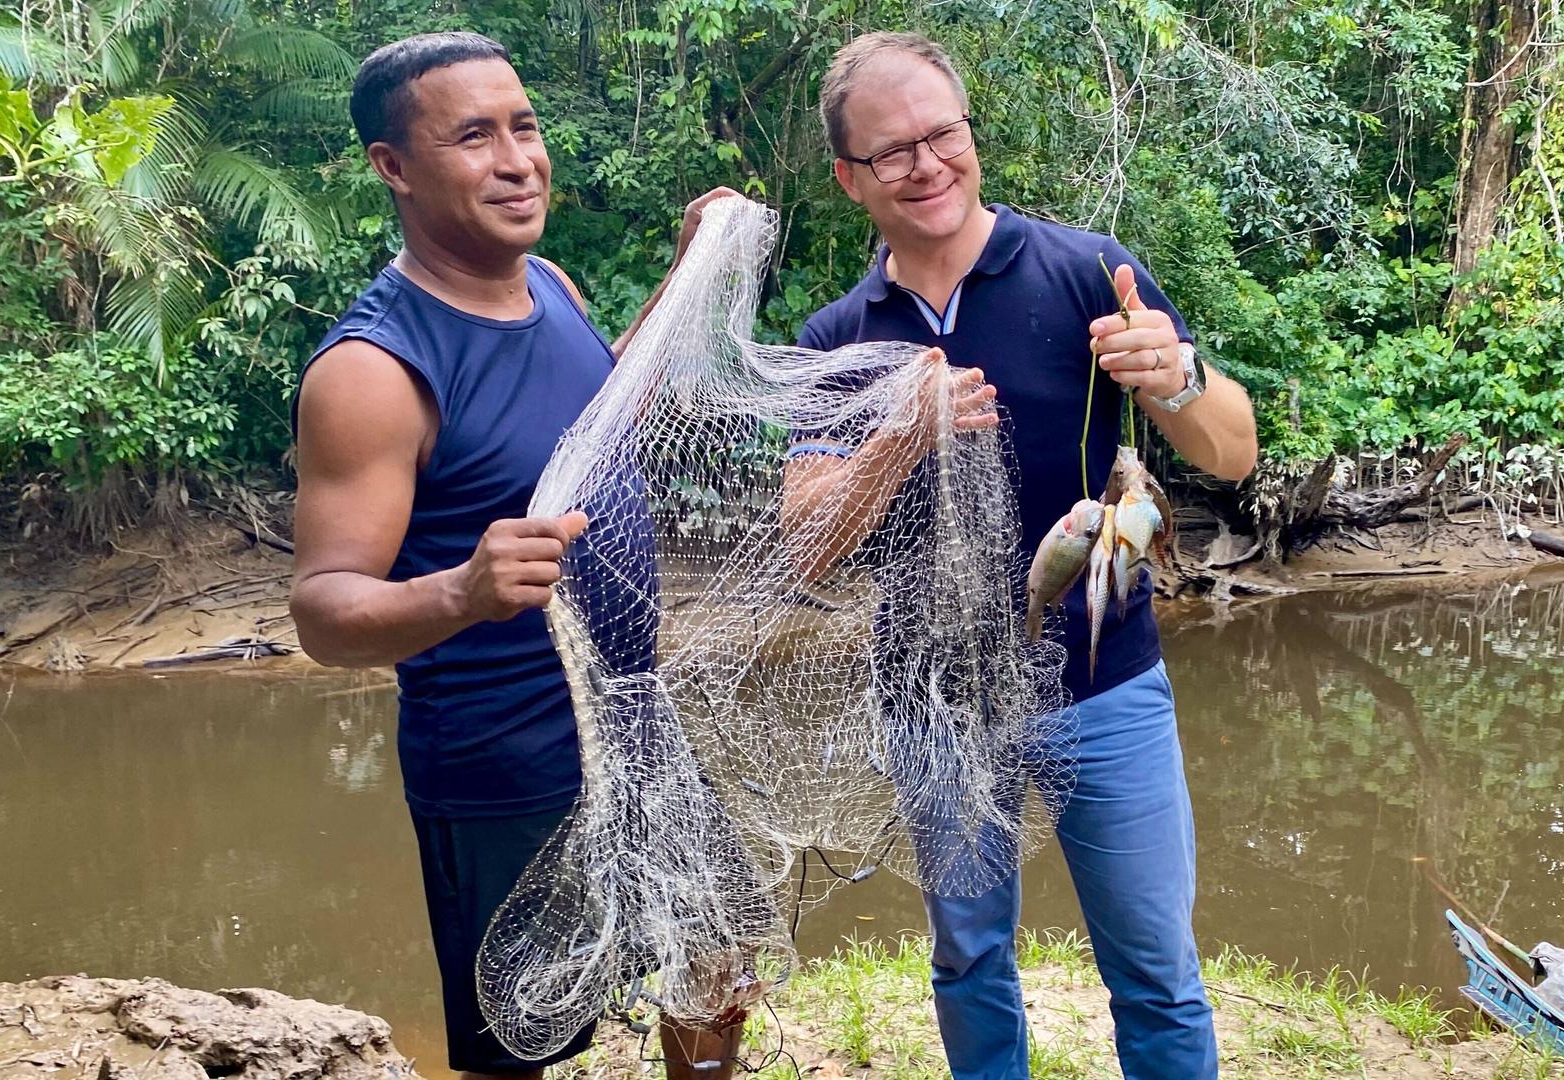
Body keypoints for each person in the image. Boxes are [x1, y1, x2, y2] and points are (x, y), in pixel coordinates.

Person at [783, 31, 1259, 1080]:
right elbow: (806, 547)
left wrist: (1174, 378)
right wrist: (898, 435)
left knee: (1156, 967)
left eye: (942, 133)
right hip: (932, 700)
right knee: (969, 958)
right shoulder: (835, 342)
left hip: (1106, 683)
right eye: (890, 151)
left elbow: (1233, 450)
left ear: (969, 131)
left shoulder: (1090, 270)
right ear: (848, 179)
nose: (926, 164)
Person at [287, 31, 740, 1080]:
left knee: (711, 963)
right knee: (523, 1042)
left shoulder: (556, 289)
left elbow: (596, 414)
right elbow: (321, 610)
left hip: (634, 723)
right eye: (474, 136)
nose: (517, 159)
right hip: (502, 769)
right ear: (393, 168)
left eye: (524, 127)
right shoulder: (372, 370)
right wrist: (460, 588)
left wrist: (684, 276)